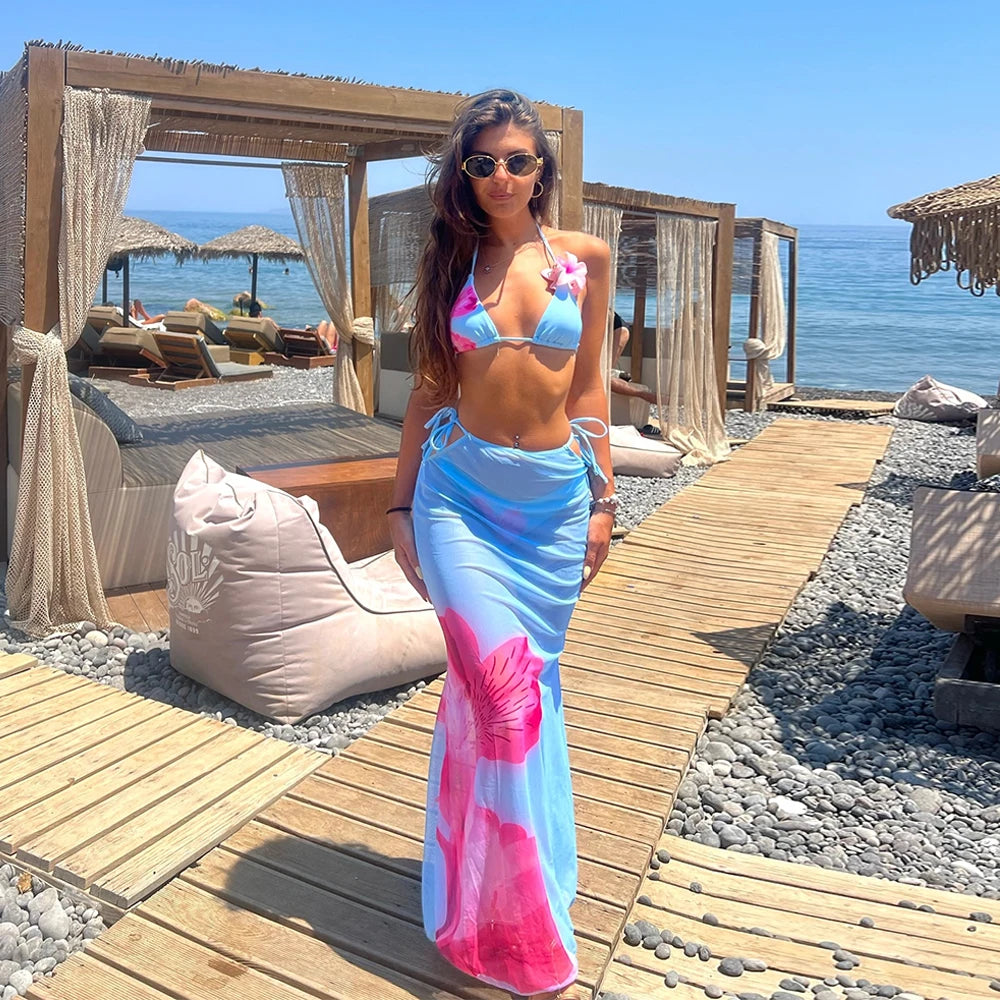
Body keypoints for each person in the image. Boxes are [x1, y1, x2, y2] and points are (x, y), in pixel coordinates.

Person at [387, 90, 613, 1000]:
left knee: (524, 695)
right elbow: (424, 398)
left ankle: (498, 880)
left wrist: (604, 504)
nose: (502, 177)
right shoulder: (450, 264)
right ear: (463, 175)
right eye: (483, 164)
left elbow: (590, 387)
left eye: (519, 160)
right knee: (502, 693)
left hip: (554, 505)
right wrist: (399, 511)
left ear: (544, 170)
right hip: (460, 500)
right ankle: (509, 927)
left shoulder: (583, 260)